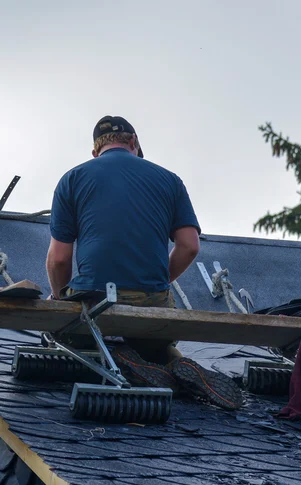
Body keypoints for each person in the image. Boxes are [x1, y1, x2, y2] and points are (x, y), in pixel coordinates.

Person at [46, 115, 243, 410]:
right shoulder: (169, 180)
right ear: (134, 143)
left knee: (64, 336)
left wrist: (60, 299)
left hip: (94, 299)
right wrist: (158, 281)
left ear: (94, 151)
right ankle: (171, 362)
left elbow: (60, 258)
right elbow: (189, 247)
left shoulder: (73, 179)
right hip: (151, 300)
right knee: (158, 345)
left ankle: (117, 357)